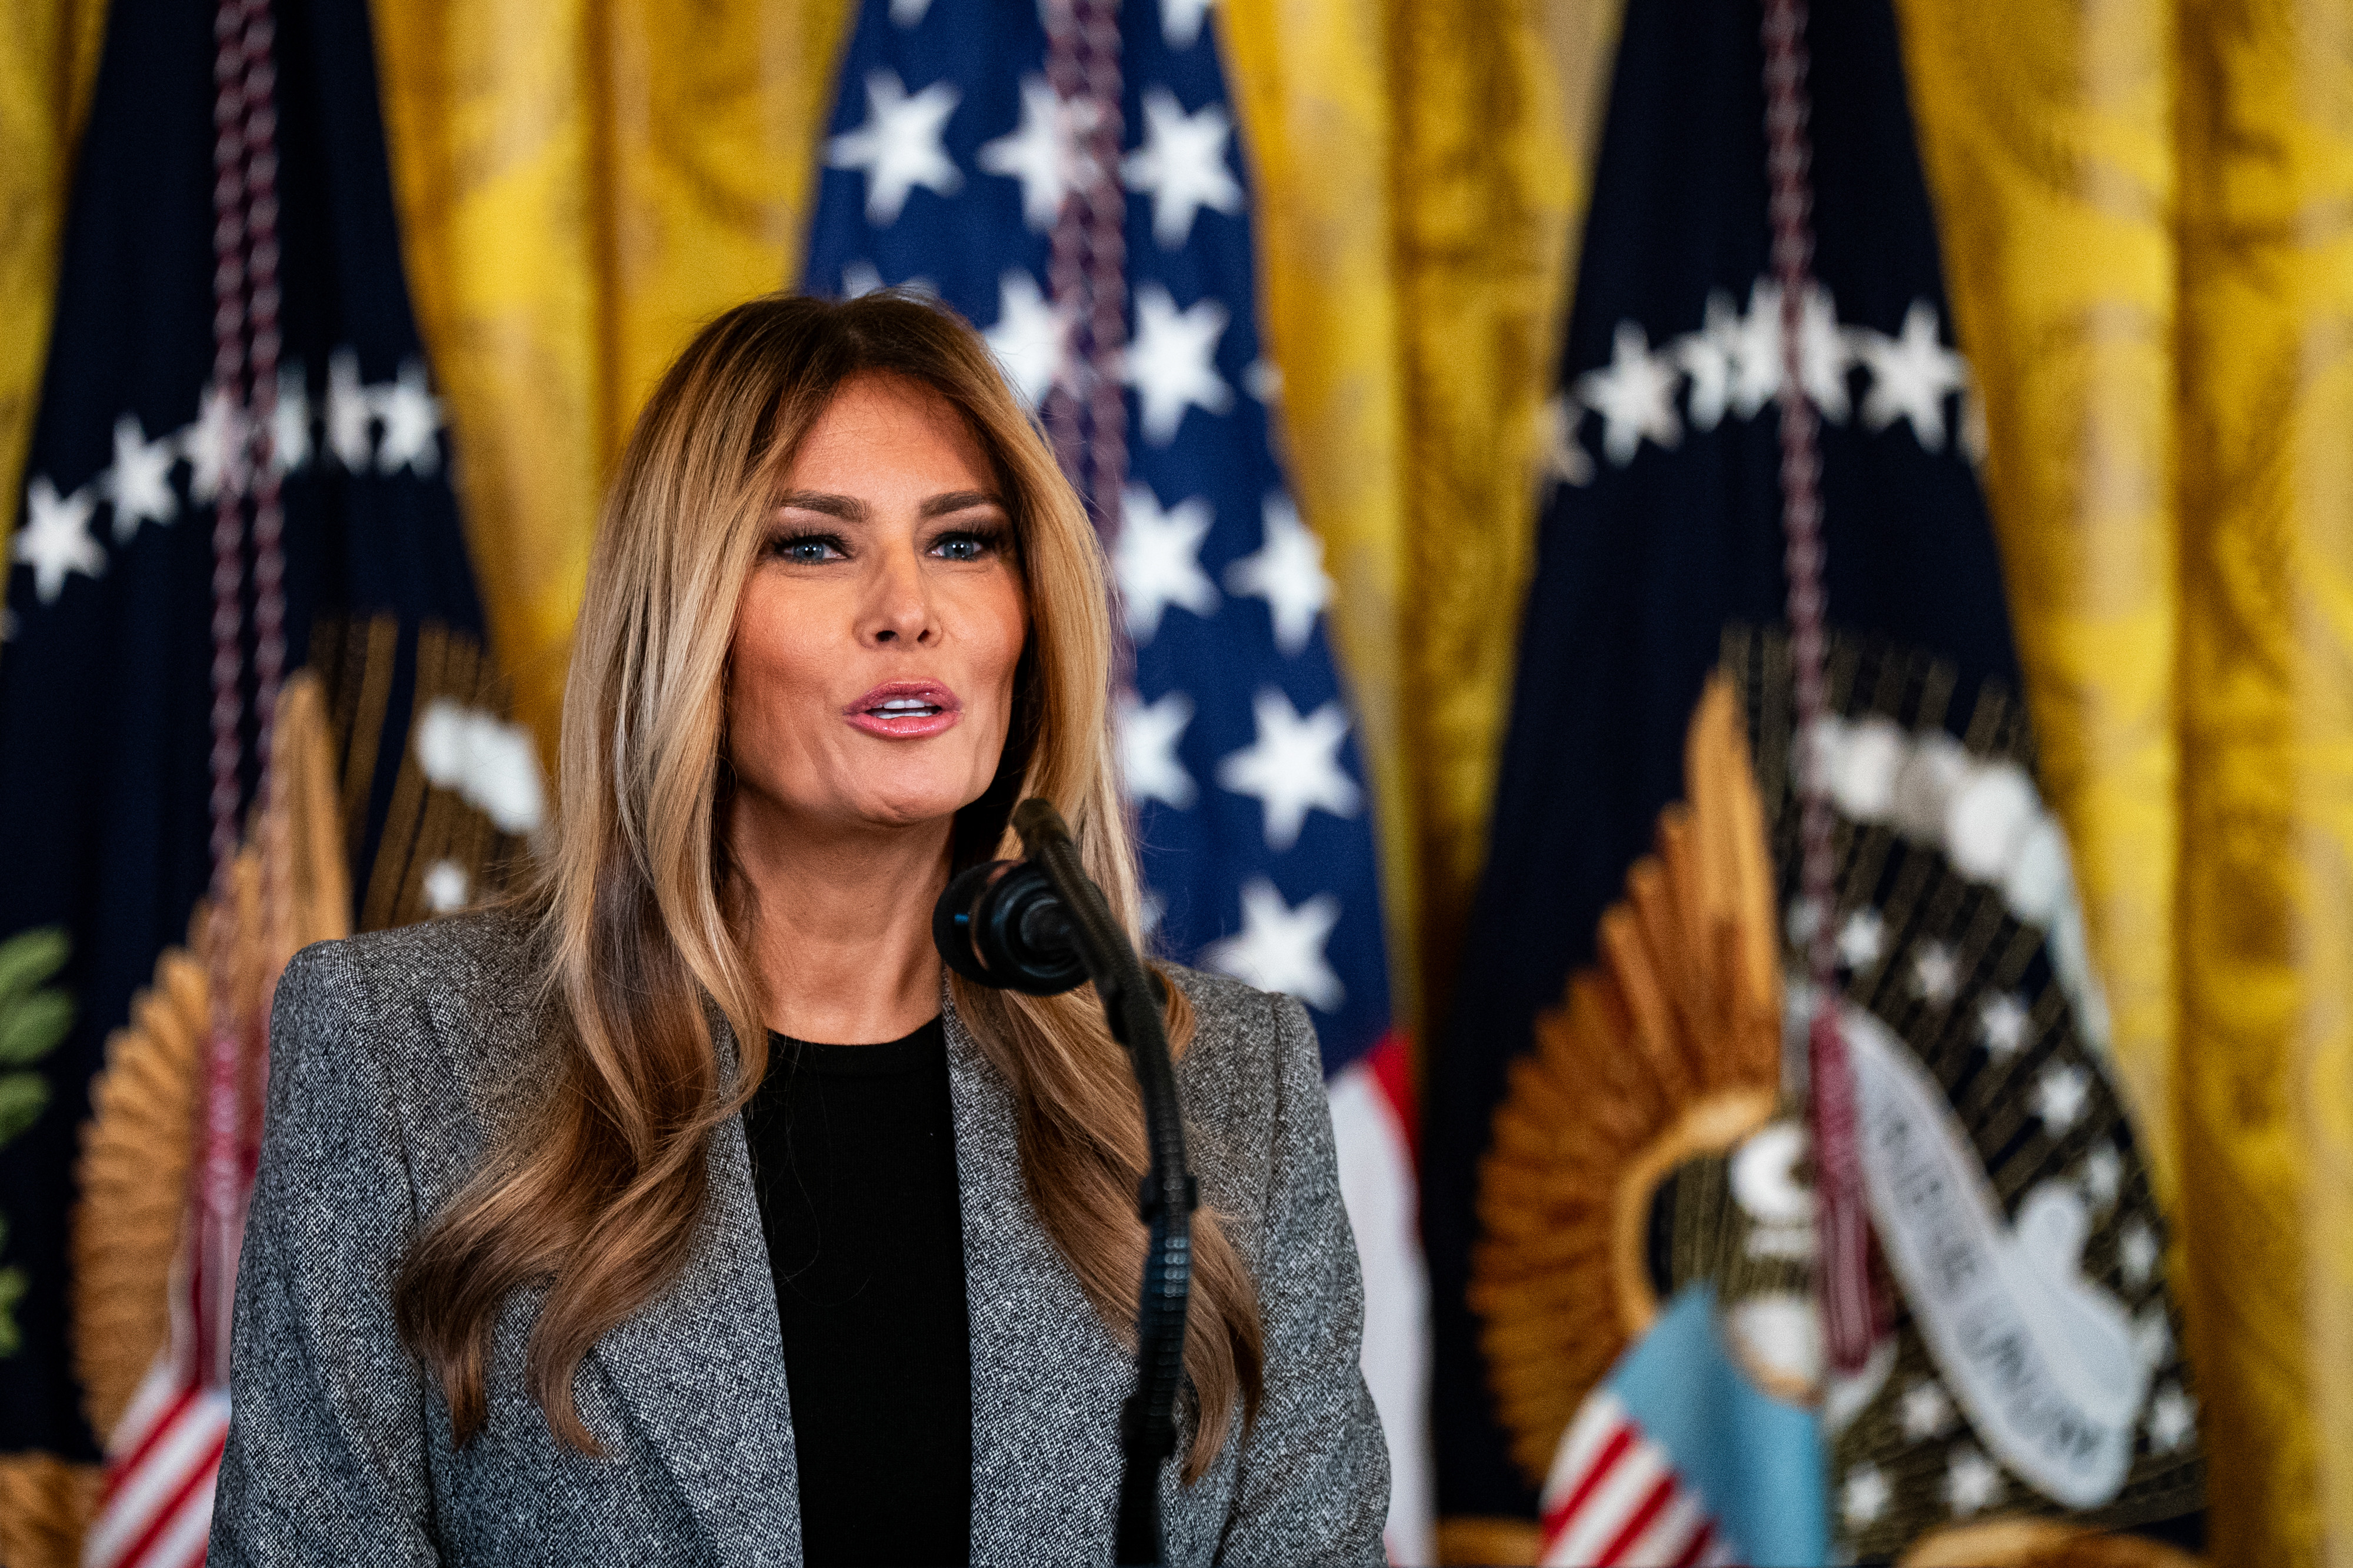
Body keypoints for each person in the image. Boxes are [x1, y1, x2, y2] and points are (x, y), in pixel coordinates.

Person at [208, 291, 1388, 1566]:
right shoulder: (396, 1056)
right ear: (689, 624)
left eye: (965, 543)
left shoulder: (1221, 1085)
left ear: (1030, 622)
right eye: (814, 547)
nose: (906, 609)